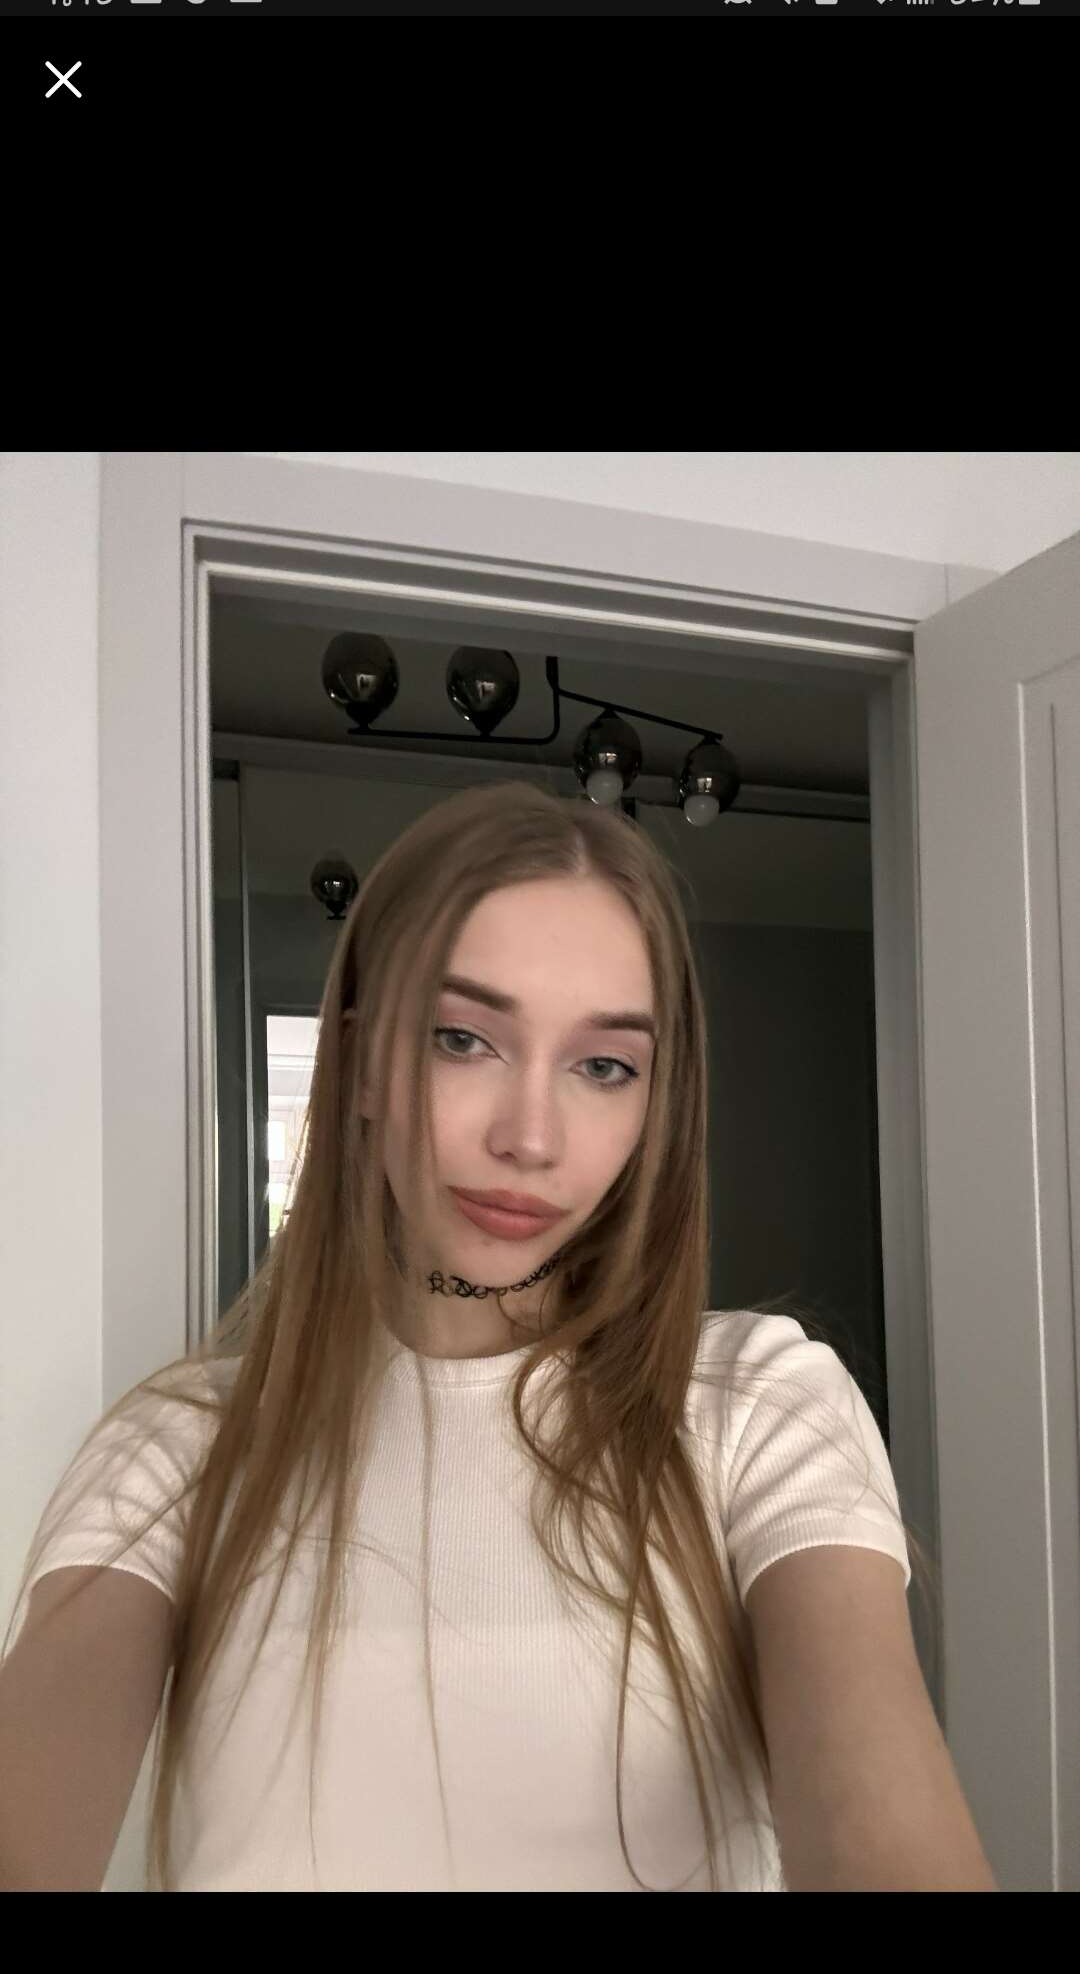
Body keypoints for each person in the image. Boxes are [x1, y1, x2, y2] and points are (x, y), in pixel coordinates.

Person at [1, 780, 944, 1893]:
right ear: (358, 1064)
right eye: (463, 1039)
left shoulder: (759, 1403)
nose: (531, 1137)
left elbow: (884, 1840)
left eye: (604, 1066)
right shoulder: (178, 1451)